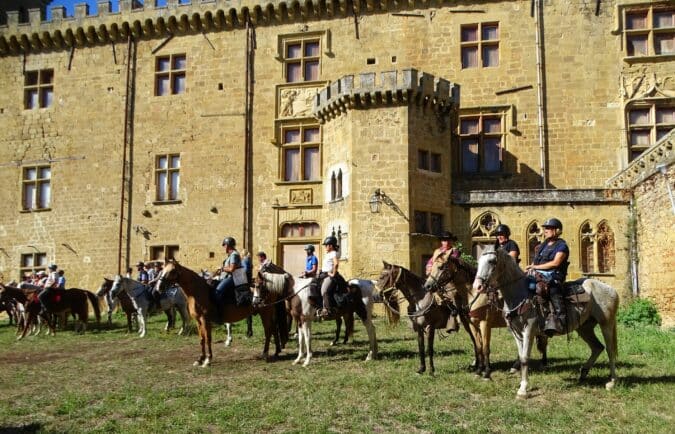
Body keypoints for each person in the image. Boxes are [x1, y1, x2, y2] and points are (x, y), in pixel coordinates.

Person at [525, 217, 570, 336]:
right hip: (539, 274)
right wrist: (531, 267)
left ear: (557, 230)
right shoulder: (543, 245)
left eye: (549, 228)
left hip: (555, 276)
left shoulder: (562, 246)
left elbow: (556, 263)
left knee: (553, 289)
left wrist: (536, 268)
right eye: (545, 228)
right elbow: (536, 261)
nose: (545, 230)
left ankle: (560, 321)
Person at [215, 237, 241, 307]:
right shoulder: (230, 256)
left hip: (232, 278)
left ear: (227, 245)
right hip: (227, 277)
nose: (224, 247)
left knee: (218, 292)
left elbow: (232, 269)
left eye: (224, 245)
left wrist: (222, 268)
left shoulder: (234, 255)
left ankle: (220, 314)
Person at [318, 236, 340, 317]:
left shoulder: (333, 253)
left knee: (324, 290)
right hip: (323, 275)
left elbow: (336, 263)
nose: (325, 247)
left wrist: (333, 274)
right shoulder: (329, 254)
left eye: (326, 245)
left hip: (329, 276)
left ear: (330, 246)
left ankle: (327, 310)